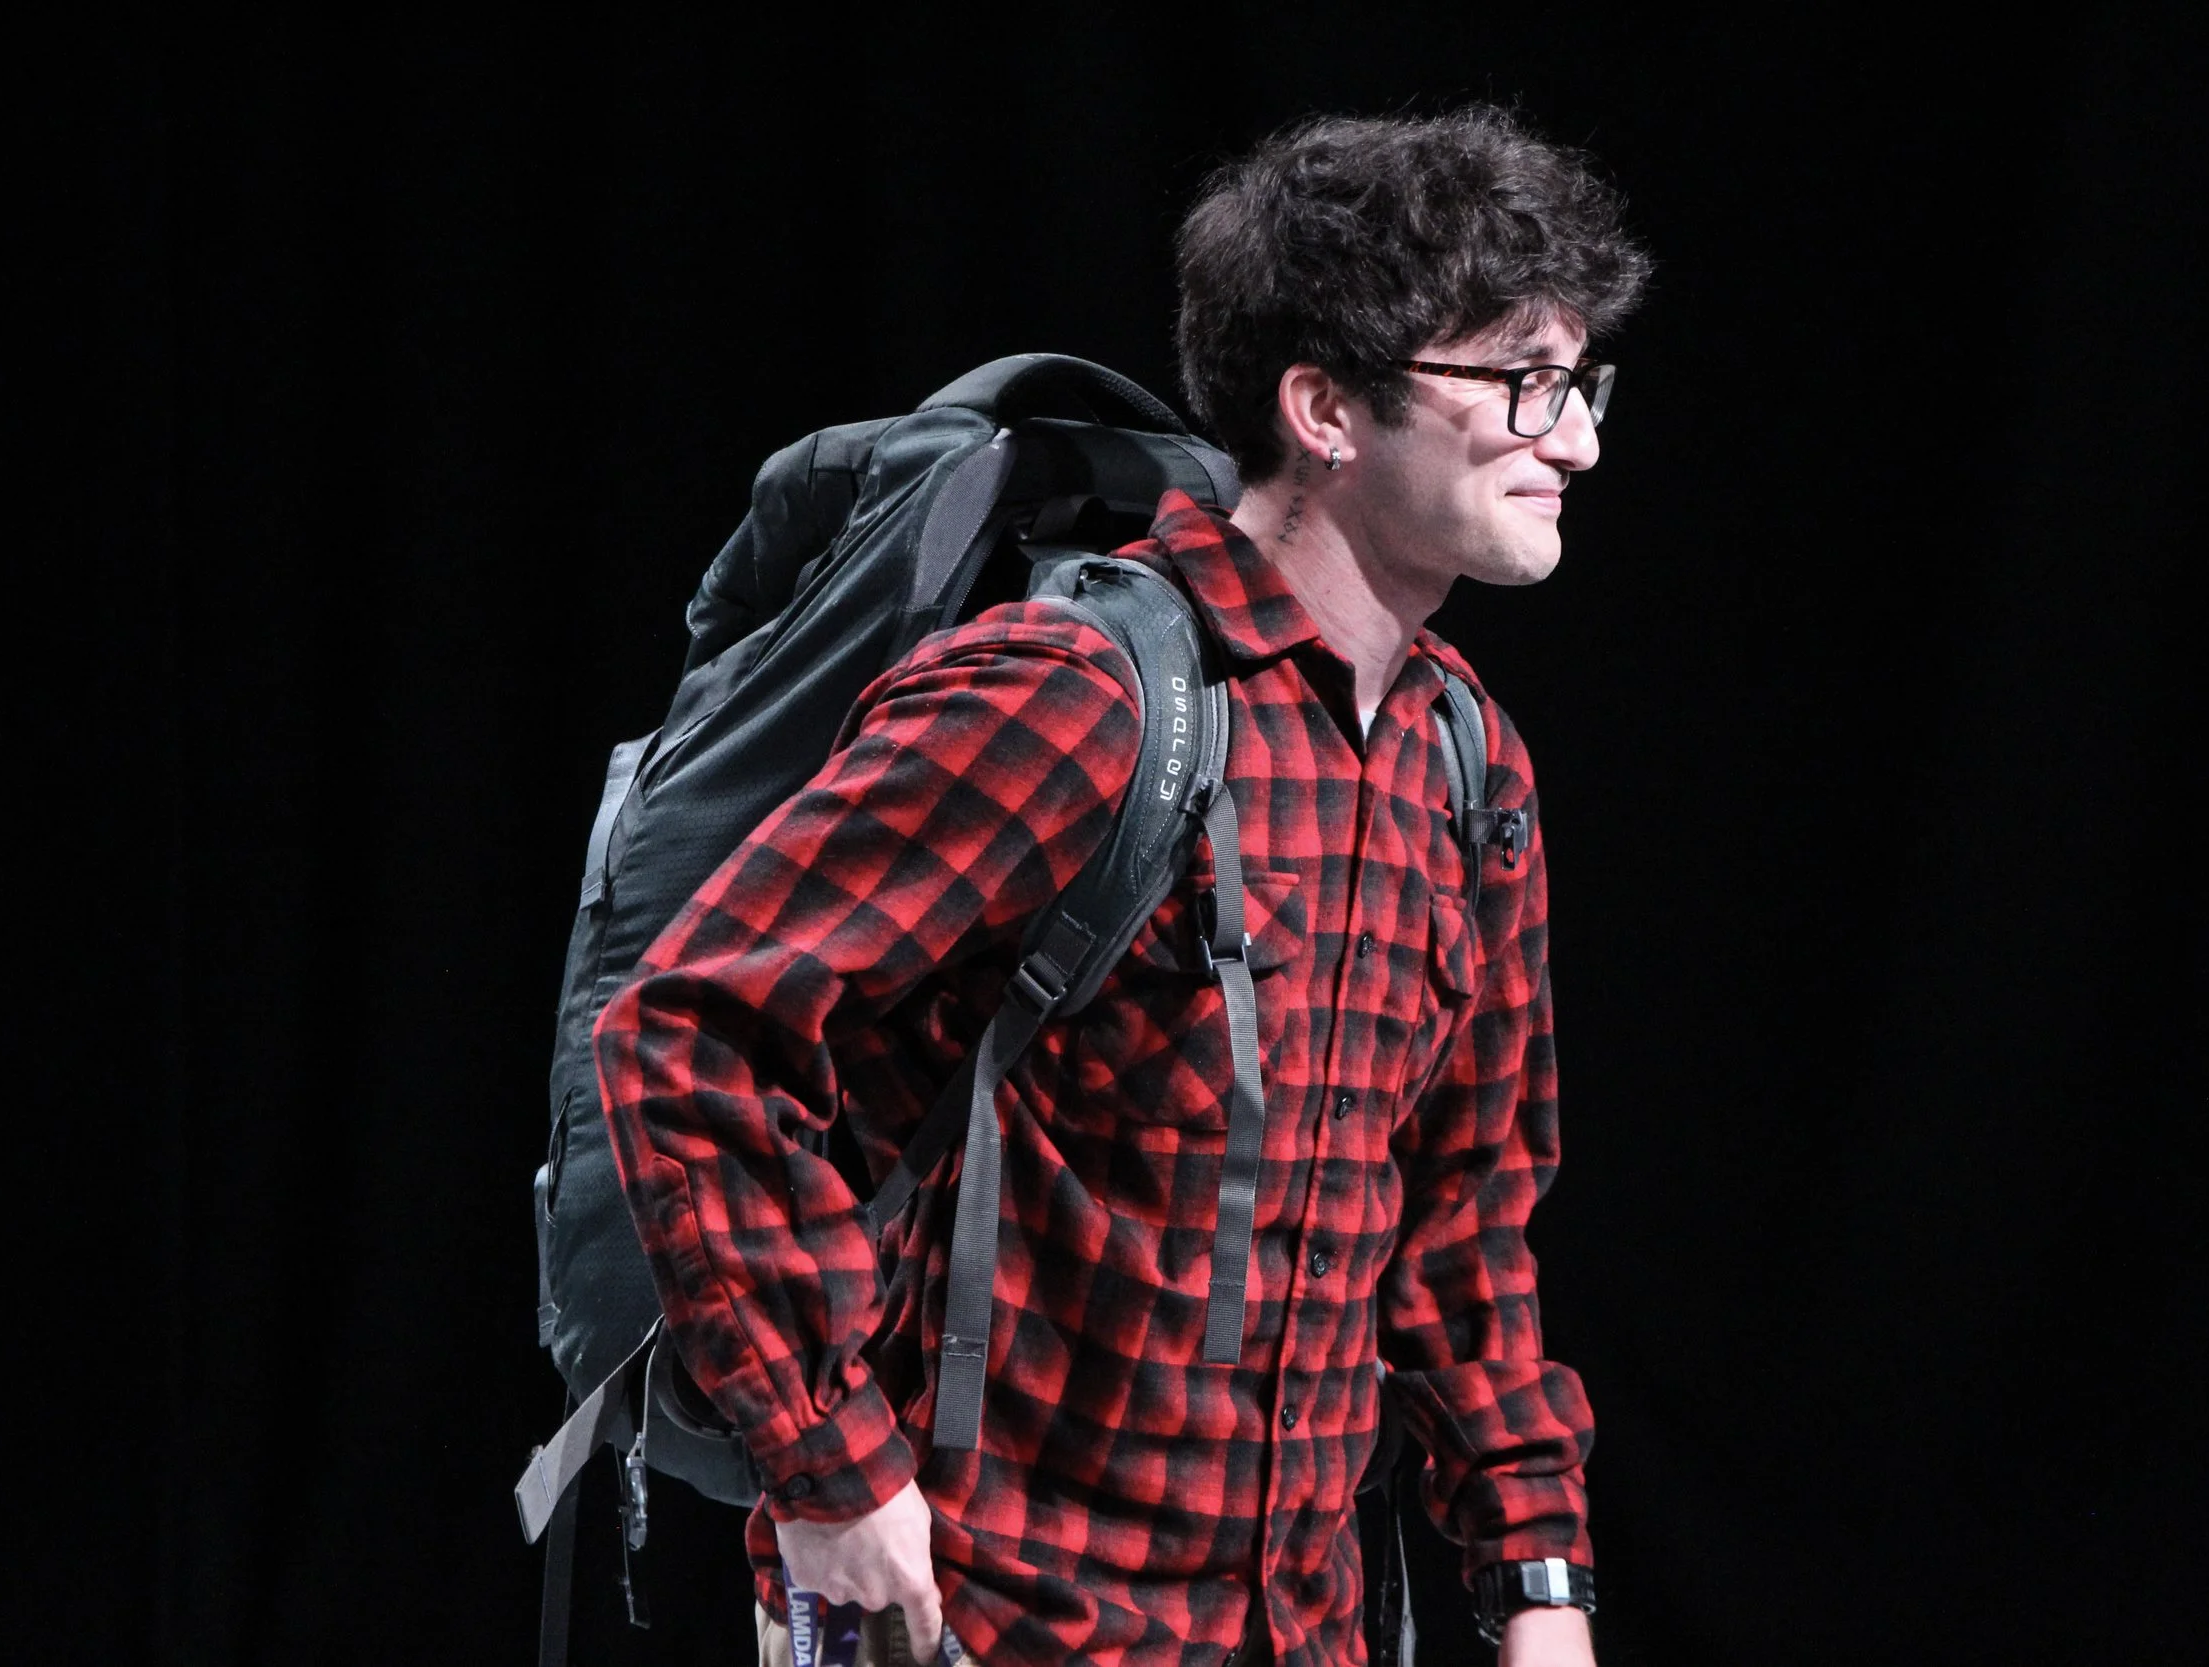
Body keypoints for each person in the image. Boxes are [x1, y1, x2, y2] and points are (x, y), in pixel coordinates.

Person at [599, 106, 1649, 1667]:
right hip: (991, 1620)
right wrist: (828, 1468)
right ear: (1326, 410)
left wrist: (1536, 1579)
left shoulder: (1467, 767)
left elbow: (1464, 1218)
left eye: (1581, 383)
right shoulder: (1081, 695)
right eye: (1524, 385)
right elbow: (693, 1029)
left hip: (1305, 1634)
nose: (1577, 439)